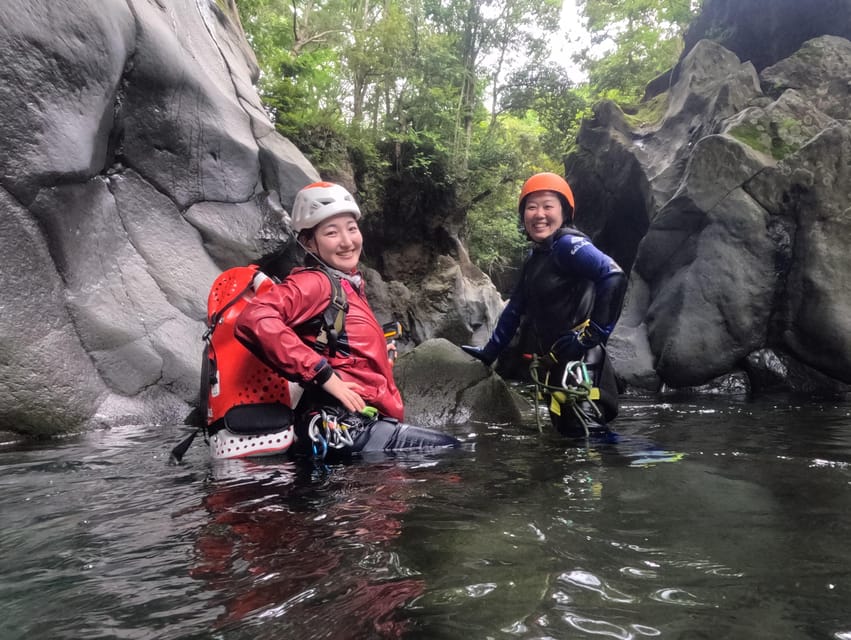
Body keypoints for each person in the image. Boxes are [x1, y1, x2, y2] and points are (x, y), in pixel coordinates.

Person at [234, 181, 458, 456]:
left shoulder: (348, 285)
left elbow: (340, 350)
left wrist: (377, 360)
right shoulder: (316, 282)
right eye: (331, 232)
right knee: (452, 452)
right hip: (342, 425)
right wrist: (324, 375)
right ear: (308, 243)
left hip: (360, 421)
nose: (347, 241)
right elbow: (255, 318)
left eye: (352, 229)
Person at [462, 172, 627, 437]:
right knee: (568, 435)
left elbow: (613, 276)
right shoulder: (536, 258)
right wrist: (490, 352)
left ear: (564, 212)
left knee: (586, 435)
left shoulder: (569, 245)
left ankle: (642, 463)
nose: (539, 214)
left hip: (582, 362)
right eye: (531, 207)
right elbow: (515, 309)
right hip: (557, 364)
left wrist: (592, 334)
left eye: (548, 206)